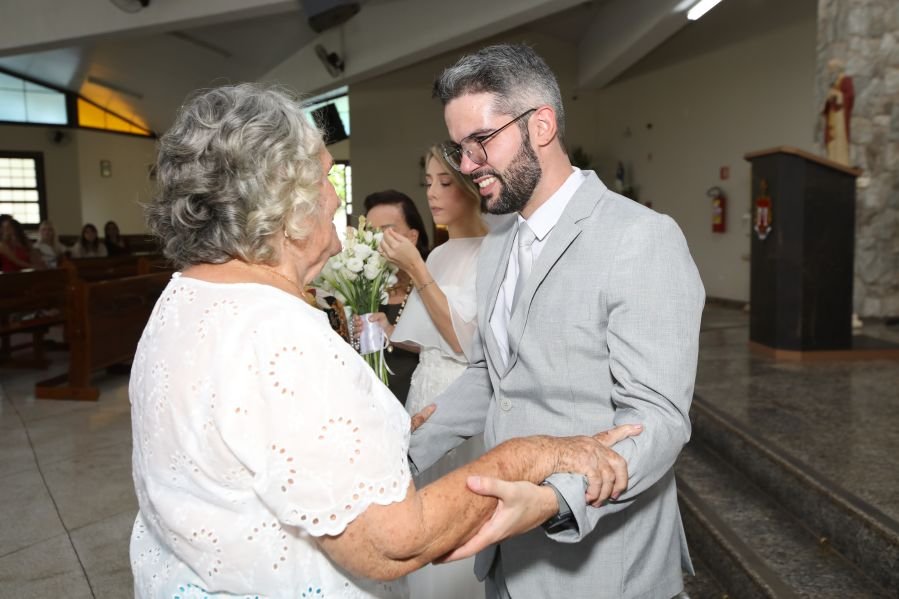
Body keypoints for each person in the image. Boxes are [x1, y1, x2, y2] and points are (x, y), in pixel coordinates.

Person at [130, 82, 642, 599]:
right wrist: (529, 455)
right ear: (284, 202)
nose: (334, 196)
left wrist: (388, 433)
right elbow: (394, 544)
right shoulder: (278, 335)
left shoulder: (183, 299)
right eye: (326, 176)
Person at [409, 44, 706, 599]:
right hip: (507, 559)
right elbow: (490, 376)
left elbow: (659, 421)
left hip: (601, 565)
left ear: (540, 124)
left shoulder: (640, 238)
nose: (467, 165)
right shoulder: (498, 244)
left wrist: (552, 499)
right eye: (459, 149)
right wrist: (402, 451)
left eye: (481, 142)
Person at [371, 146, 489, 599]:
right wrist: (387, 333)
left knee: (455, 518)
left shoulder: (491, 251)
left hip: (460, 397)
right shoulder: (440, 254)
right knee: (421, 513)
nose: (433, 195)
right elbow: (433, 337)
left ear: (471, 186)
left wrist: (415, 267)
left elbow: (465, 342)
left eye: (445, 183)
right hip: (425, 391)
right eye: (427, 183)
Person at [362, 189, 430, 404]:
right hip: (372, 401)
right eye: (370, 231)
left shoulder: (431, 283)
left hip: (418, 399)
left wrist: (392, 332)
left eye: (387, 230)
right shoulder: (360, 284)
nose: (376, 240)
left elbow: (451, 345)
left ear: (412, 236)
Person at [822, 58, 854, 166]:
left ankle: (840, 163)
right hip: (833, 116)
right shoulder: (834, 83)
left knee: (840, 141)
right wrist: (829, 98)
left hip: (840, 116)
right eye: (830, 70)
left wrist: (838, 95)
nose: (830, 73)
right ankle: (832, 162)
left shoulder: (846, 80)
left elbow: (850, 96)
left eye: (832, 70)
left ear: (837, 70)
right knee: (832, 142)